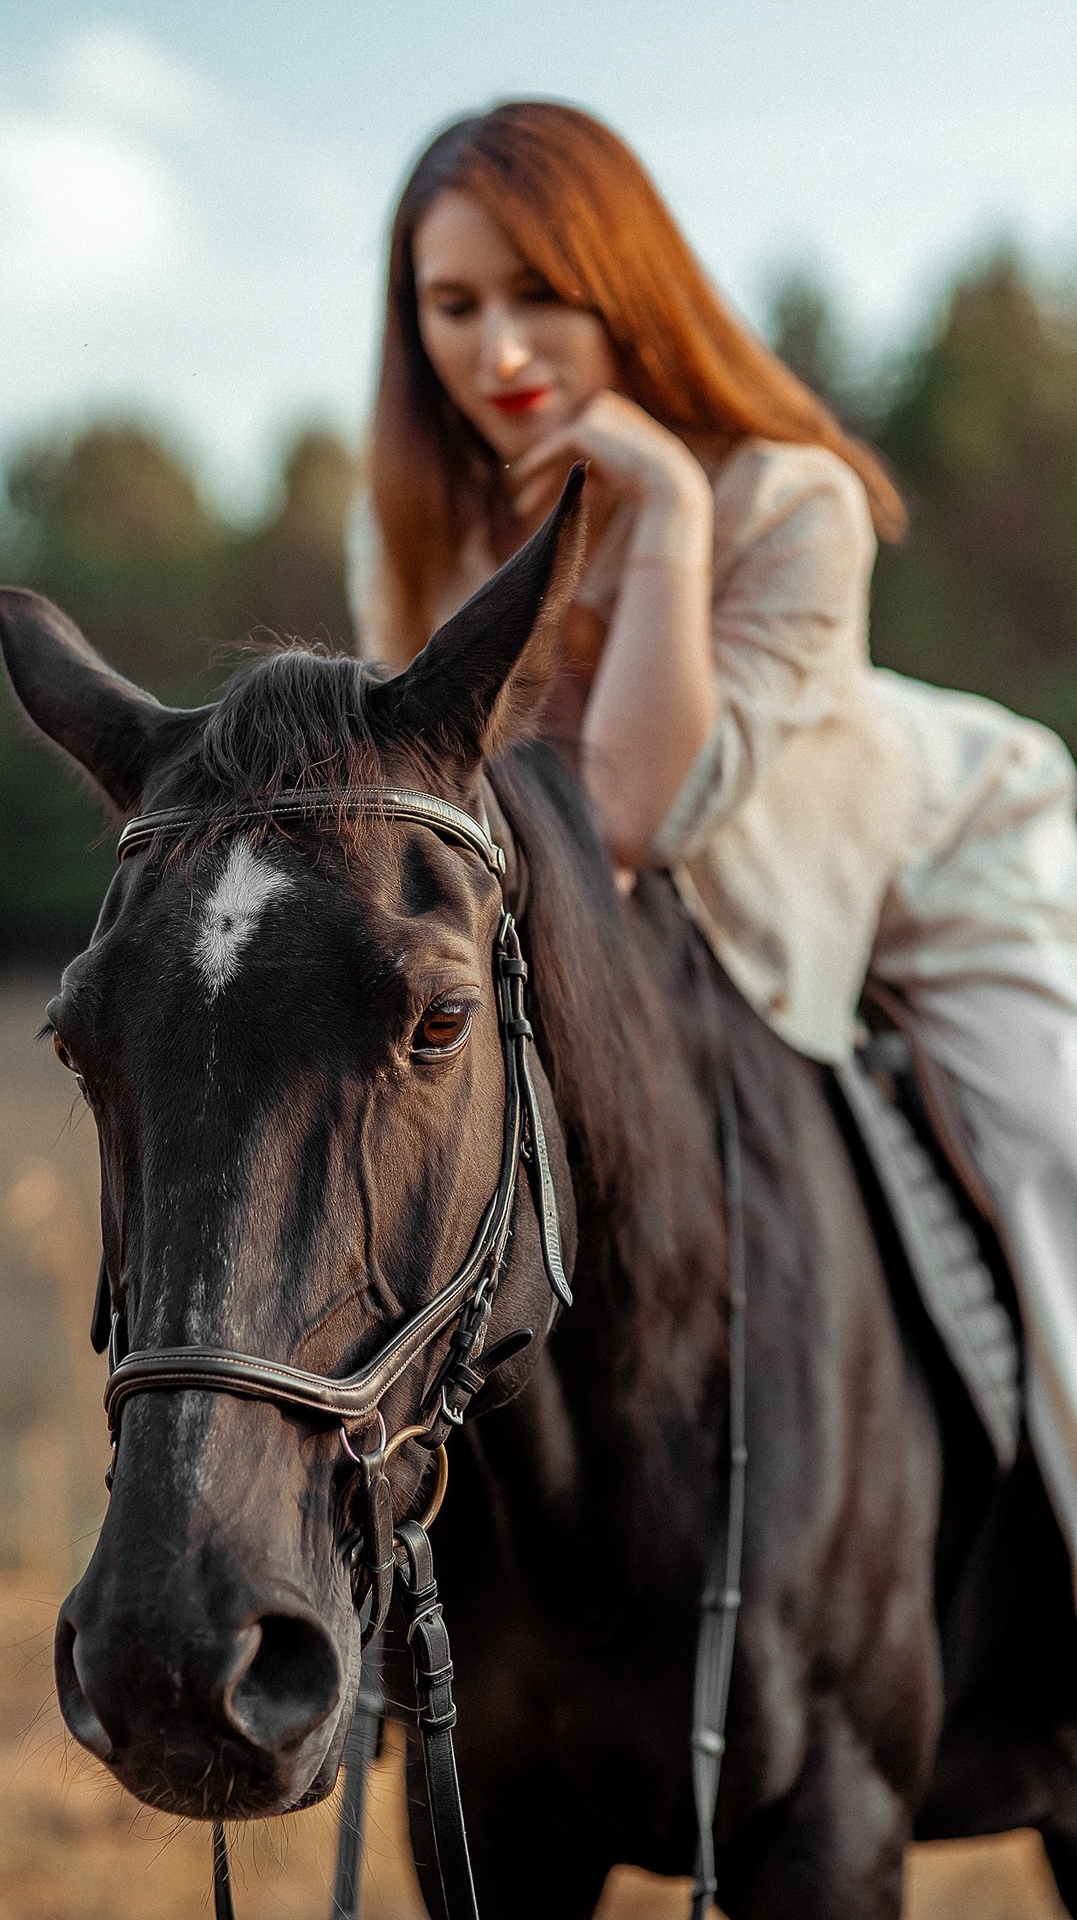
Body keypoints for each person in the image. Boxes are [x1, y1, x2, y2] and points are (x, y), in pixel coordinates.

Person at [347, 100, 1077, 1570]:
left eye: (542, 295)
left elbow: (630, 814)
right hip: (641, 921)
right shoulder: (422, 520)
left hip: (921, 859)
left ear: (625, 282)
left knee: (1050, 1162)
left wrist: (666, 504)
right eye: (455, 304)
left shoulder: (788, 498)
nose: (499, 353)